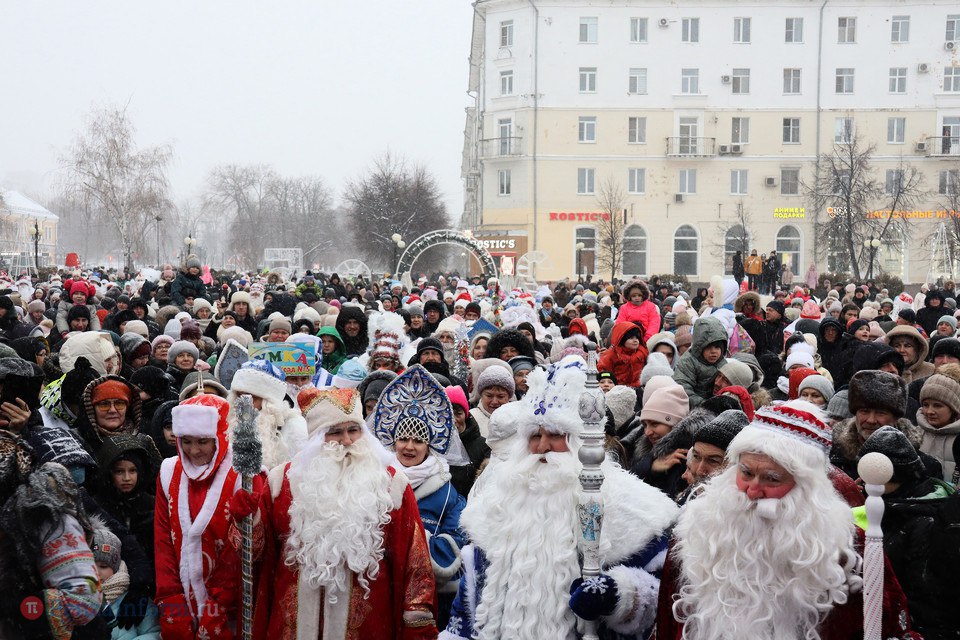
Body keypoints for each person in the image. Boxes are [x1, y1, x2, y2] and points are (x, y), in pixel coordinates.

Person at [442, 356, 679, 639]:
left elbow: (663, 598)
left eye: (555, 434)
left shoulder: (635, 510)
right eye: (534, 435)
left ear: (582, 439)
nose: (542, 447)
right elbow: (468, 605)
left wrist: (619, 595)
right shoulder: (496, 506)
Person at [656, 401, 922, 640]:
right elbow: (669, 621)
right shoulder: (697, 530)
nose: (752, 490)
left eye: (772, 478)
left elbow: (885, 622)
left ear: (805, 488)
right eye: (746, 472)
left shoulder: (847, 550)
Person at [255, 387, 439, 638]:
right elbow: (256, 555)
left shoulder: (392, 486)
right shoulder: (281, 483)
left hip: (370, 626)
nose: (347, 441)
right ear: (316, 439)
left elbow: (415, 562)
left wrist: (416, 620)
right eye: (335, 432)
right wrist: (247, 520)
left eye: (354, 430)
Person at [373, 366, 468, 629]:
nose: (409, 447)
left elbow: (458, 539)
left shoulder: (447, 492)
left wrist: (413, 543)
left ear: (429, 446)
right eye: (403, 439)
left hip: (430, 596)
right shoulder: (375, 480)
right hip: (381, 589)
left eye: (418, 440)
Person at [154, 394, 241, 639]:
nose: (193, 450)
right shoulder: (169, 472)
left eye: (203, 441)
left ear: (219, 438)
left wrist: (218, 604)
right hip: (181, 595)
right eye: (187, 441)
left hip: (227, 601)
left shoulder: (241, 477)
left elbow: (238, 550)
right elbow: (163, 539)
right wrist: (170, 597)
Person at [830, 370, 942, 481]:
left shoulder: (922, 466)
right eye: (864, 411)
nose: (871, 420)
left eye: (880, 413)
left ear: (896, 418)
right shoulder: (833, 456)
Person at [91, 527, 162, 639]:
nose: (96, 571)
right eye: (90, 565)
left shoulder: (135, 599)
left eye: (103, 566)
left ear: (115, 568)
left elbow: (154, 633)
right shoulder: (77, 601)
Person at [672, 316, 728, 407]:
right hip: (693, 406)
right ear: (700, 347)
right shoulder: (688, 362)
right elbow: (682, 387)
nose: (713, 351)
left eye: (717, 347)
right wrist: (704, 404)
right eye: (708, 347)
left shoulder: (723, 363)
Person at [598, 322, 648, 388]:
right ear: (622, 339)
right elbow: (603, 370)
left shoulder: (642, 353)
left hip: (638, 387)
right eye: (631, 338)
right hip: (617, 388)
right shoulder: (613, 354)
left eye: (637, 338)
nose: (635, 340)